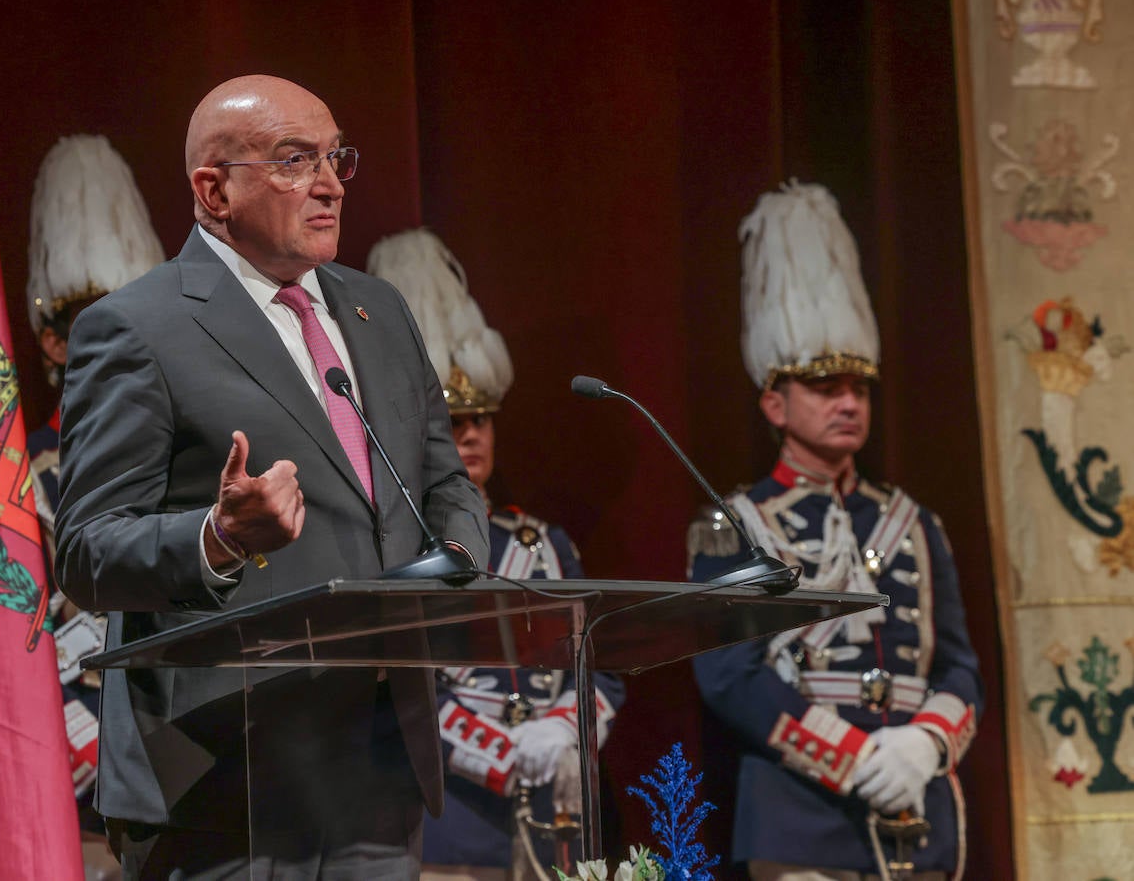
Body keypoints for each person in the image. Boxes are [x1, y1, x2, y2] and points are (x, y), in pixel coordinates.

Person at [54, 76, 489, 879]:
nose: (329, 184)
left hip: (381, 756)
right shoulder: (137, 328)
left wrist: (456, 567)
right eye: (294, 161)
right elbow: (85, 550)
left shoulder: (378, 311)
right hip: (228, 775)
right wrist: (217, 539)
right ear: (213, 190)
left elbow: (445, 483)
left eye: (334, 158)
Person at [686, 182, 982, 881]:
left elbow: (959, 668)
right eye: (825, 386)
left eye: (860, 386)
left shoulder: (914, 521)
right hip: (801, 818)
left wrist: (925, 747)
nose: (849, 402)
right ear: (775, 403)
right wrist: (851, 755)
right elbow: (728, 677)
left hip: (918, 810)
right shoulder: (733, 525)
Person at [367, 229, 624, 881]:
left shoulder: (545, 543)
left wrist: (565, 729)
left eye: (480, 419)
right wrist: (505, 754)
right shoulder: (391, 547)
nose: (471, 435)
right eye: (452, 423)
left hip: (554, 817)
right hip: (449, 820)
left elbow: (603, 665)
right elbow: (397, 685)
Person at [23, 134, 165, 881]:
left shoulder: (185, 464)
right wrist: (101, 767)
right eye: (92, 328)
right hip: (77, 794)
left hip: (189, 775)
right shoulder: (25, 479)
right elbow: (19, 645)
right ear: (52, 342)